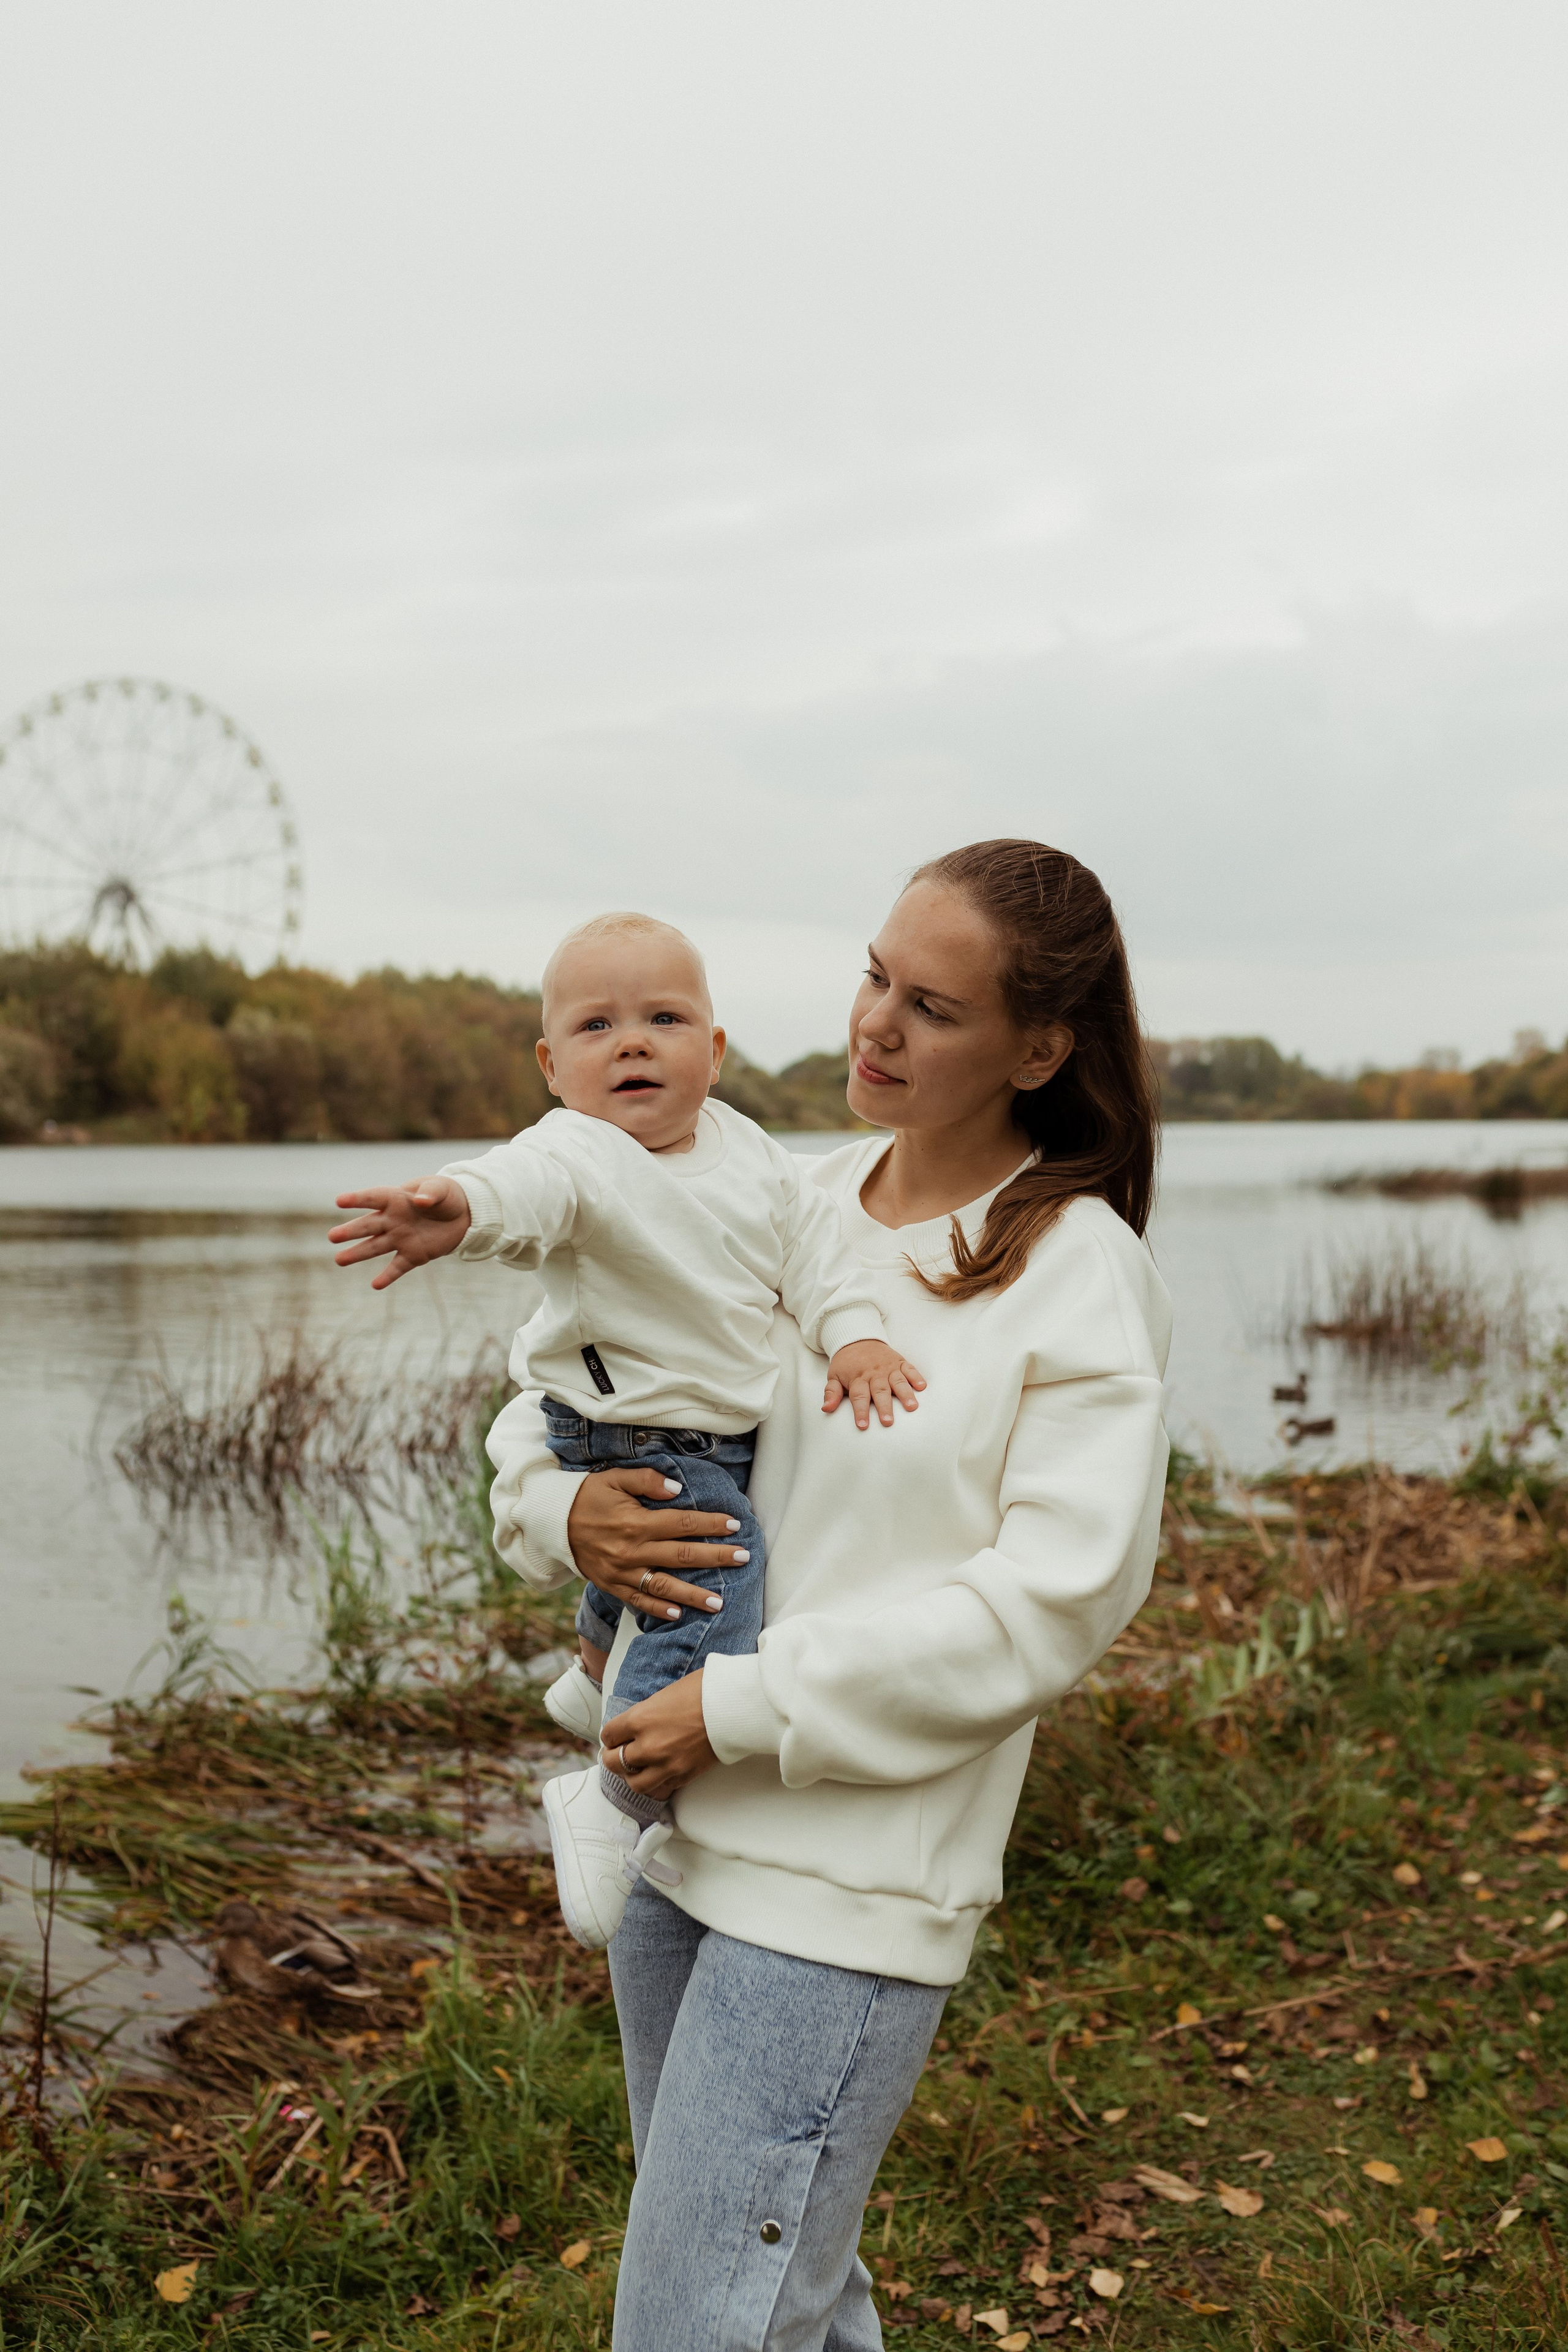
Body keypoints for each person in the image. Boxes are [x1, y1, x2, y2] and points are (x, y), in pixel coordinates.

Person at [483, 839, 1172, 2351]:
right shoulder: (782, 1198)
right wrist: (559, 1511)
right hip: (674, 1847)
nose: (874, 1024)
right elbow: (565, 1388)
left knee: (696, 2324)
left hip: (842, 1894)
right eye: (874, 977)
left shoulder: (1078, 1275)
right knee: (781, 2299)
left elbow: (1045, 1609)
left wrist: (732, 1707)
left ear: (1037, 1051)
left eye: (931, 1006)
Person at [328, 910, 922, 1948]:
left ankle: (595, 1674)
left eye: (665, 1019)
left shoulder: (754, 1155)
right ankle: (612, 1799)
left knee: (659, 1570)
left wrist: (858, 1335)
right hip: (628, 1435)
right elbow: (522, 1186)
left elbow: (817, 1259)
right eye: (597, 1026)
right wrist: (459, 1207)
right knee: (712, 1581)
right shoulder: (582, 1150)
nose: (633, 1043)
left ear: (716, 1051)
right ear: (553, 1068)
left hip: (702, 1434)